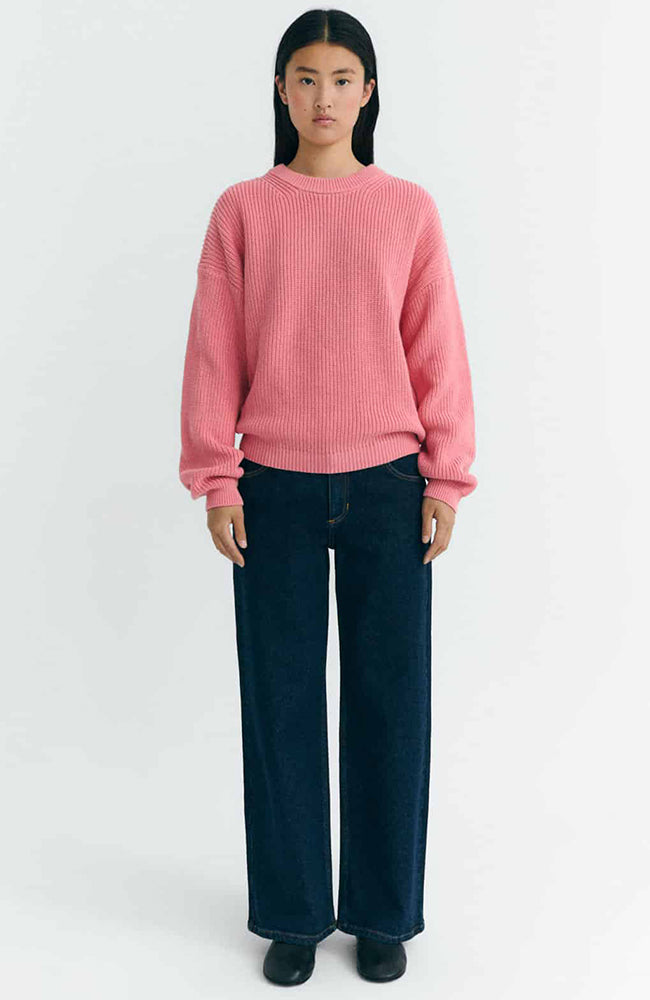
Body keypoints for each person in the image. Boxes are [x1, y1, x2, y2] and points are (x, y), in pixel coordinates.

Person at [178, 8, 477, 987]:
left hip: (390, 486)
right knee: (281, 704)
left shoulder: (407, 210)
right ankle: (295, 913)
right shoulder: (242, 211)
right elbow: (215, 349)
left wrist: (446, 475)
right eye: (304, 77)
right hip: (273, 488)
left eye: (342, 78)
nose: (323, 96)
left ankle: (383, 913)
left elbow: (437, 348)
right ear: (280, 91)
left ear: (369, 92)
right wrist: (215, 477)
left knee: (391, 702)